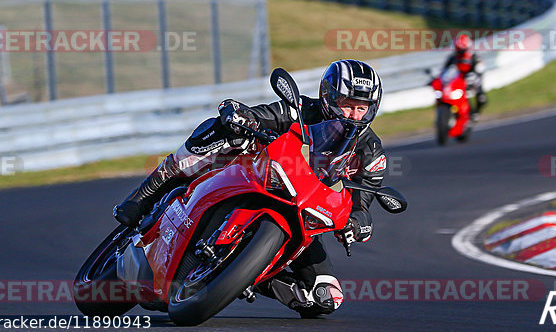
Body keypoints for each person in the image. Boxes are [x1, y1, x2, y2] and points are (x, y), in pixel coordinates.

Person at [113, 59, 387, 318]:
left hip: (305, 210)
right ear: (329, 97)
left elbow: (362, 200)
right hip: (262, 176)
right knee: (219, 131)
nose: (353, 114)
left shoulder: (371, 153)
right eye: (347, 105)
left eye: (360, 108)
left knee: (326, 298)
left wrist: (359, 222)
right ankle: (143, 195)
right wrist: (243, 116)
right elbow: (262, 116)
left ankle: (244, 274)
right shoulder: (301, 109)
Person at [442, 33, 487, 119]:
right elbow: (444, 70)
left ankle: (476, 113)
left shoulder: (474, 57)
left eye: (460, 50)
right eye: (458, 49)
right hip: (458, 81)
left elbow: (480, 69)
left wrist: (474, 75)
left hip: (472, 81)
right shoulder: (453, 57)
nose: (459, 52)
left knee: (482, 98)